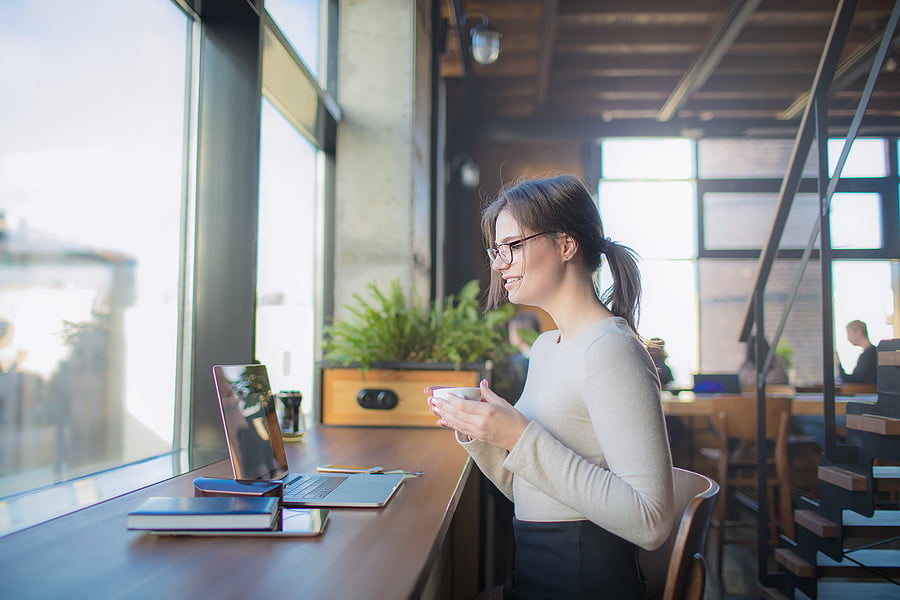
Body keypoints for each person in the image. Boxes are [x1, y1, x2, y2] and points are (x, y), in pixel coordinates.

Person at [425, 175, 674, 599]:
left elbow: (651, 521)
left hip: (582, 581)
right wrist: (479, 431)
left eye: (514, 246)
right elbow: (530, 486)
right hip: (535, 572)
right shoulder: (546, 347)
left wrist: (517, 435)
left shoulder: (610, 350)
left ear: (565, 245)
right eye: (497, 250)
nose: (499, 263)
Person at [838, 319, 877, 384]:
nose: (848, 338)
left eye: (849, 334)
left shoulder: (868, 355)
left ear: (859, 332)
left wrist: (838, 364)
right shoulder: (873, 352)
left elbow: (853, 382)